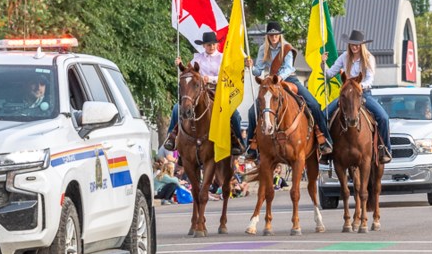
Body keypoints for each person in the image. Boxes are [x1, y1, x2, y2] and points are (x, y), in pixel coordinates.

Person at [245, 21, 333, 159]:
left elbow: (288, 68)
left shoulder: (287, 48)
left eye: (276, 35)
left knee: (314, 105)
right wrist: (251, 67)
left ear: (280, 35)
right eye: (271, 35)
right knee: (252, 112)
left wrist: (279, 77)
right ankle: (251, 147)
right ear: (267, 36)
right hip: (272, 83)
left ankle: (324, 139)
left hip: (289, 79)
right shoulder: (263, 49)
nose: (274, 37)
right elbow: (259, 71)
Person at [163, 31, 243, 155]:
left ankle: (238, 141)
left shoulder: (223, 58)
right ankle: (172, 137)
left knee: (235, 115)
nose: (211, 47)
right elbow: (189, 73)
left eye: (213, 44)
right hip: (200, 92)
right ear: (204, 46)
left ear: (217, 45)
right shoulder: (197, 58)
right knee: (176, 109)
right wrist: (180, 66)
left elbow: (226, 76)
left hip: (218, 90)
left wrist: (209, 79)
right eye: (208, 45)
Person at [321, 30, 392, 164]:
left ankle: (385, 149)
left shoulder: (369, 58)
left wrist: (359, 87)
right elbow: (330, 74)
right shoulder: (344, 57)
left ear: (362, 45)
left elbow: (370, 79)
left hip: (363, 93)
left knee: (383, 117)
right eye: (352, 44)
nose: (354, 47)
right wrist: (323, 64)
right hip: (347, 96)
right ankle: (327, 148)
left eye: (357, 44)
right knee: (324, 115)